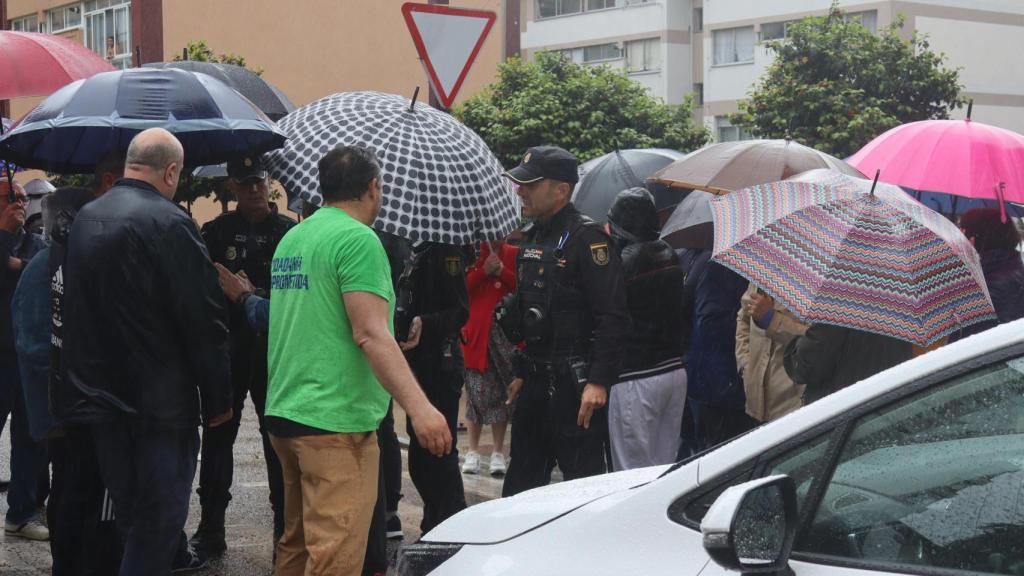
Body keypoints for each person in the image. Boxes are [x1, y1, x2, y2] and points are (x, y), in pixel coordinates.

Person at [264, 145, 450, 576]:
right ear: (372, 187)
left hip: (287, 412)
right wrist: (420, 410)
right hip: (336, 421)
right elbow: (370, 333)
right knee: (335, 557)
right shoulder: (357, 239)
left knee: (295, 545)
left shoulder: (296, 236)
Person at [61, 128, 234, 576]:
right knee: (157, 525)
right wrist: (218, 398)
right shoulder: (170, 223)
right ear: (171, 170)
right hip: (159, 405)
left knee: (131, 517)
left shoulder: (87, 218)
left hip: (100, 399)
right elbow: (203, 317)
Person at [498, 146, 628, 497]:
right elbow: (533, 313)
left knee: (581, 490)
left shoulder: (588, 240)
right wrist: (523, 370)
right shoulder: (533, 236)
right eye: (520, 183)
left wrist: (598, 381)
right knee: (520, 487)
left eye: (530, 184)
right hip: (536, 382)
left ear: (561, 190)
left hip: (576, 386)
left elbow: (612, 317)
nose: (520, 191)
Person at [191, 155, 295, 556]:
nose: (254, 189)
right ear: (231, 187)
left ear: (269, 184)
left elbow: (299, 294)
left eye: (259, 181)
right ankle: (211, 527)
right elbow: (200, 291)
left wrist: (254, 296)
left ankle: (284, 530)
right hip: (228, 350)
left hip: (274, 352)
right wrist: (225, 293)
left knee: (278, 441)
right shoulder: (215, 233)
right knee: (218, 438)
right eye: (245, 182)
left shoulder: (289, 233)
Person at [605, 188, 689, 471]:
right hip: (673, 370)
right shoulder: (671, 254)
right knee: (664, 465)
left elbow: (611, 317)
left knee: (632, 472)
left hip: (636, 374)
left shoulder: (625, 262)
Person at [395, 239, 469, 534]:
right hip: (416, 364)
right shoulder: (415, 248)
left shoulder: (447, 250)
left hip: (441, 364)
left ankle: (450, 526)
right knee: (420, 453)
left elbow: (460, 310)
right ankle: (433, 522)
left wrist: (425, 323)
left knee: (439, 451)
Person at [0, 178, 47, 540]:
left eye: (21, 197)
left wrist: (18, 263)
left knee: (30, 437)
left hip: (27, 355)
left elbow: (40, 268)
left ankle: (21, 511)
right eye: (10, 197)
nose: (19, 203)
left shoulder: (35, 242)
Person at [679, 247, 753, 451]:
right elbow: (712, 324)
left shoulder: (713, 262)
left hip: (717, 380)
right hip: (715, 381)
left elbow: (710, 324)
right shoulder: (714, 263)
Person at [460, 239, 517, 476]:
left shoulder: (513, 253)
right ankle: (472, 451)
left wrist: (502, 271)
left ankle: (497, 451)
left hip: (503, 335)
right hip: (476, 334)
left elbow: (520, 287)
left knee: (503, 394)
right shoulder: (471, 253)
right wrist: (483, 271)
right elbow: (461, 290)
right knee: (475, 392)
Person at [735, 284, 809, 423]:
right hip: (757, 403)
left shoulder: (816, 283)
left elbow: (816, 340)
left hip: (793, 406)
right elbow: (744, 318)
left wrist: (771, 319)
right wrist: (745, 364)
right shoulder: (763, 274)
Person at [784, 324, 913, 402]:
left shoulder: (841, 297)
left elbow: (807, 366)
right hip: (889, 401)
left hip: (844, 409)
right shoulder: (902, 299)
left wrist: (795, 345)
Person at [950, 208, 1024, 341]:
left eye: (961, 232)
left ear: (972, 240)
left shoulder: (983, 289)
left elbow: (961, 348)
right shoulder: (1014, 270)